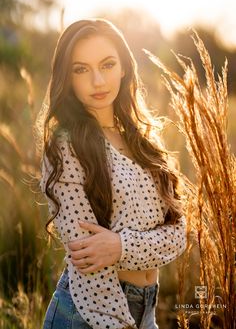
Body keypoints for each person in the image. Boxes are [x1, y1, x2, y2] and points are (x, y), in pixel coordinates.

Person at [38, 18, 187, 329]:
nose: (97, 80)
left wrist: (119, 246)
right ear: (68, 77)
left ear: (123, 68)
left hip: (146, 310)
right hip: (91, 313)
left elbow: (178, 235)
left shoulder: (144, 142)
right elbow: (88, 258)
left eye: (107, 65)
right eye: (81, 69)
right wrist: (118, 323)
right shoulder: (66, 147)